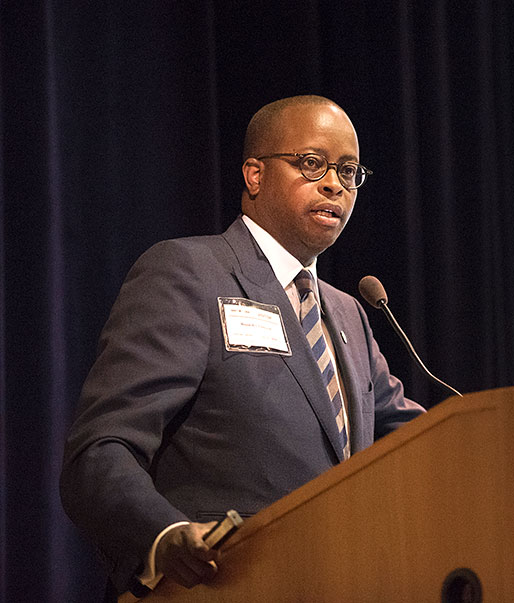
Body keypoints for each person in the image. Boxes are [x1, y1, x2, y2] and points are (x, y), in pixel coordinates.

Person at [60, 95, 425, 597]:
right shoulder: (188, 273)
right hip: (214, 585)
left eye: (349, 171)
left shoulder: (348, 313)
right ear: (254, 175)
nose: (335, 184)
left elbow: (418, 440)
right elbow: (101, 449)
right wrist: (164, 535)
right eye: (313, 164)